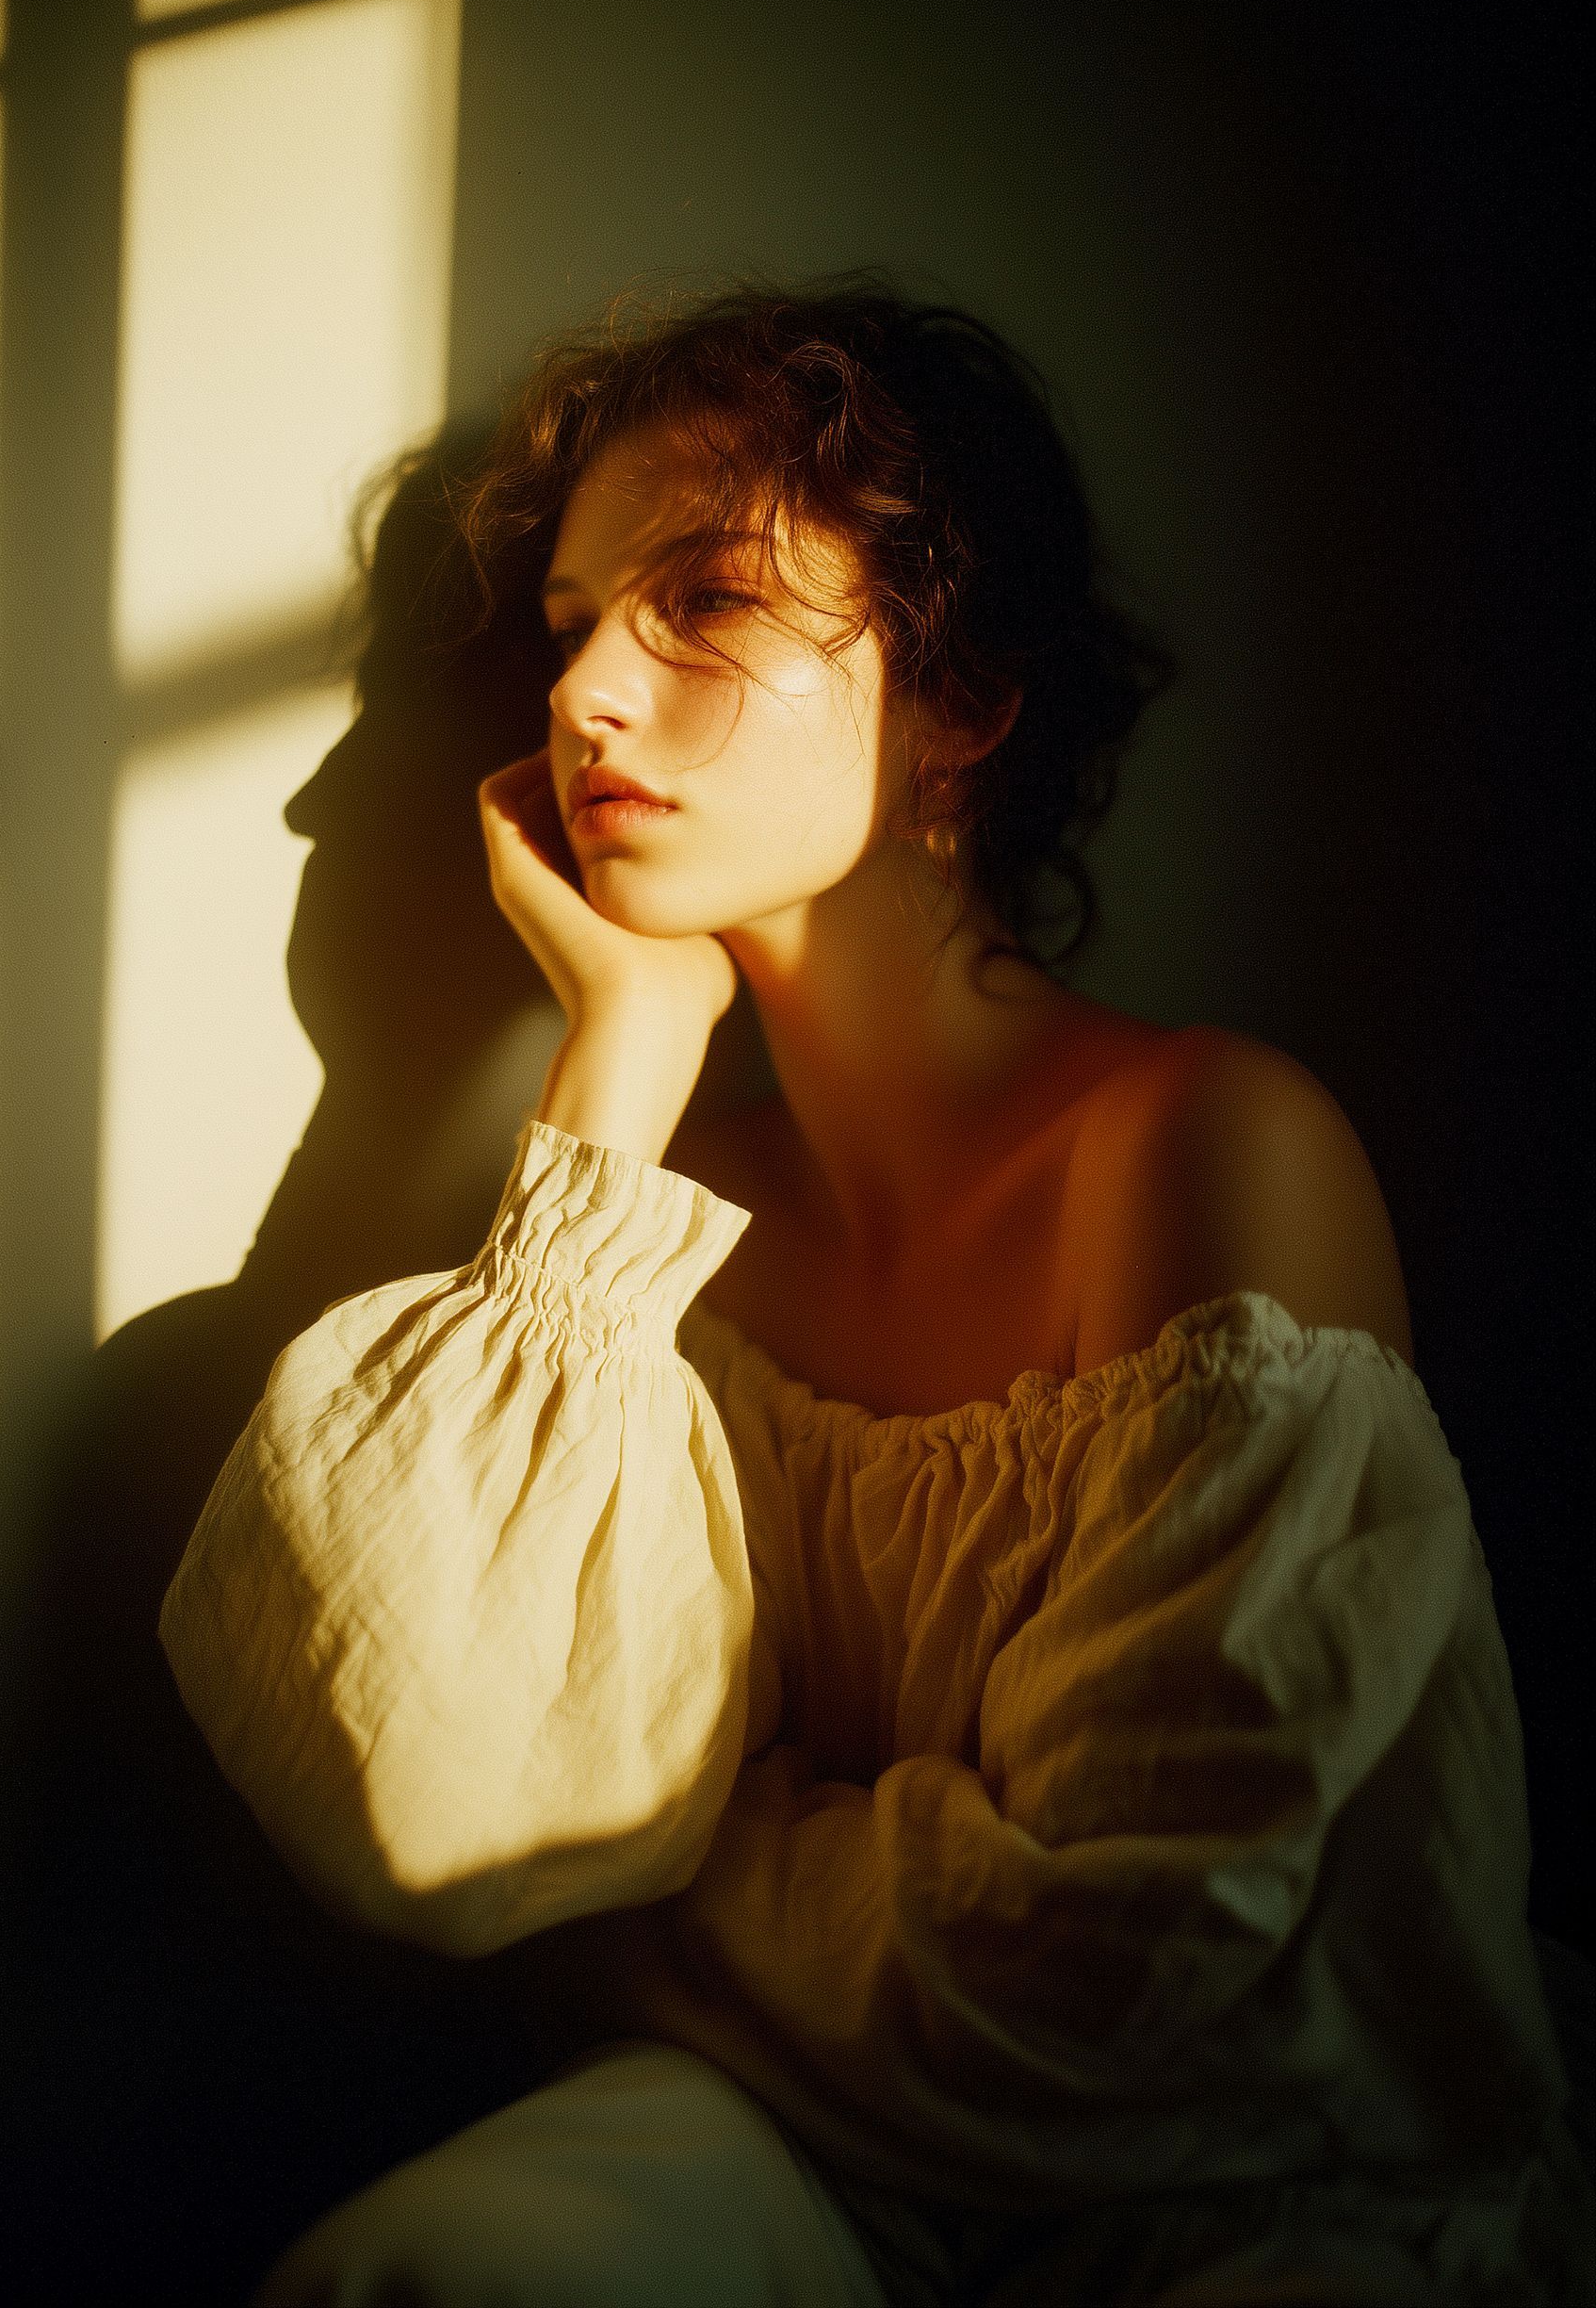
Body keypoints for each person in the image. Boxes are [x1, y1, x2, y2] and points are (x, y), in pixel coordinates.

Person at [160, 284, 1592, 2304]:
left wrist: (641, 1898)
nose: (582, 696)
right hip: (836, 2156)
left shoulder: (1203, 1152)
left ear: (964, 693)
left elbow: (1132, 1972)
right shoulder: (698, 1215)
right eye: (571, 623)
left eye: (701, 606)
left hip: (1260, 2180)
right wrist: (622, 1065)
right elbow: (429, 1792)